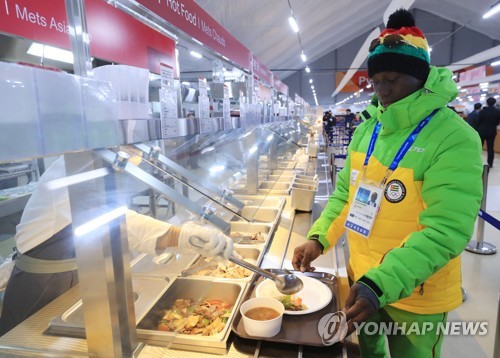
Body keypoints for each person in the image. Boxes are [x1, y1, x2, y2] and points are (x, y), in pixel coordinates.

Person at [292, 9, 482, 358]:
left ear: (419, 77)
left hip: (416, 294)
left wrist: (380, 283)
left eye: (392, 79)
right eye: (376, 81)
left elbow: (445, 231)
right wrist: (319, 238)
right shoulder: (368, 130)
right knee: (370, 353)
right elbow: (346, 196)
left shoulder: (454, 138)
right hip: (363, 282)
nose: (382, 90)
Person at [0, 153, 234, 336]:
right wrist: (183, 237)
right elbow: (117, 222)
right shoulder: (74, 167)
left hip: (75, 275)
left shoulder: (97, 164)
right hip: (41, 286)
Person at [476, 97, 500, 168]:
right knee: (490, 148)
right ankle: (490, 163)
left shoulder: (482, 111)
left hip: (482, 131)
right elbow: (497, 122)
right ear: (494, 103)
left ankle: (477, 162)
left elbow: (478, 121)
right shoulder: (497, 111)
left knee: (479, 147)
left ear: (486, 103)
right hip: (492, 132)